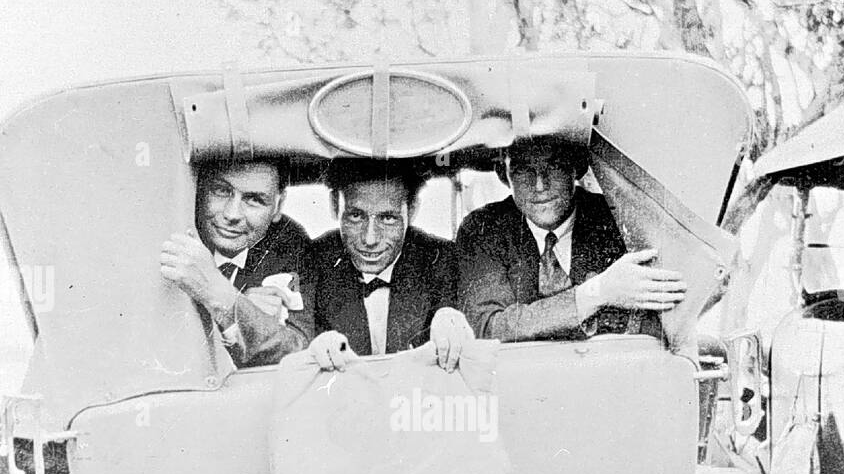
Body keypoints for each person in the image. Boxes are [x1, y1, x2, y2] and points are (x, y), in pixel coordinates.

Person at [455, 136, 687, 341]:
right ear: (504, 175)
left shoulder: (616, 219)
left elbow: (656, 323)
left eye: (553, 166)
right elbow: (487, 326)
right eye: (523, 170)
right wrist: (598, 292)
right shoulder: (484, 228)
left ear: (575, 170)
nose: (540, 185)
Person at [309, 157, 472, 372]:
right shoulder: (311, 260)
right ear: (334, 205)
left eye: (388, 218)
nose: (370, 239)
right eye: (356, 216)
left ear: (412, 210)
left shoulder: (443, 260)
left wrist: (451, 318)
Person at [160, 159, 314, 367]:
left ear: (278, 206)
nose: (232, 214)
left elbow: (298, 349)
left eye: (255, 200)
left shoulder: (287, 243)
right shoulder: (166, 228)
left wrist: (227, 299)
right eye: (220, 191)